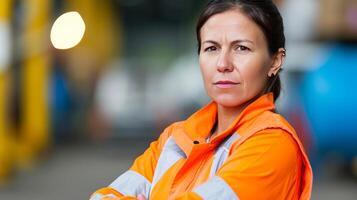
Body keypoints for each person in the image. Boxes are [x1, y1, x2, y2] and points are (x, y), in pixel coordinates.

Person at [89, 0, 313, 199]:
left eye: (241, 48)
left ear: (275, 61)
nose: (223, 64)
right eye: (211, 48)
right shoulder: (175, 138)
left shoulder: (273, 145)